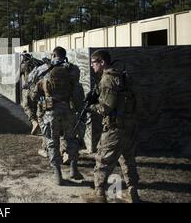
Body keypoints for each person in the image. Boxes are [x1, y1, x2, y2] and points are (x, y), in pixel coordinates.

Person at [82, 50, 140, 203]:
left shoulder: (107, 79)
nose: (92, 65)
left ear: (102, 62)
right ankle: (133, 191)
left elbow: (106, 107)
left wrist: (91, 107)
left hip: (115, 128)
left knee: (102, 162)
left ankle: (99, 195)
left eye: (94, 62)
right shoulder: (123, 76)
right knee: (128, 161)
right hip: (130, 127)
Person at [36, 47, 84, 185]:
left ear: (53, 55)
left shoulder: (44, 68)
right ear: (65, 55)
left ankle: (57, 175)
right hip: (69, 110)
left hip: (51, 112)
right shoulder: (73, 69)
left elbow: (34, 89)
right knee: (71, 140)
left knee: (52, 142)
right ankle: (74, 169)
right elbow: (76, 87)